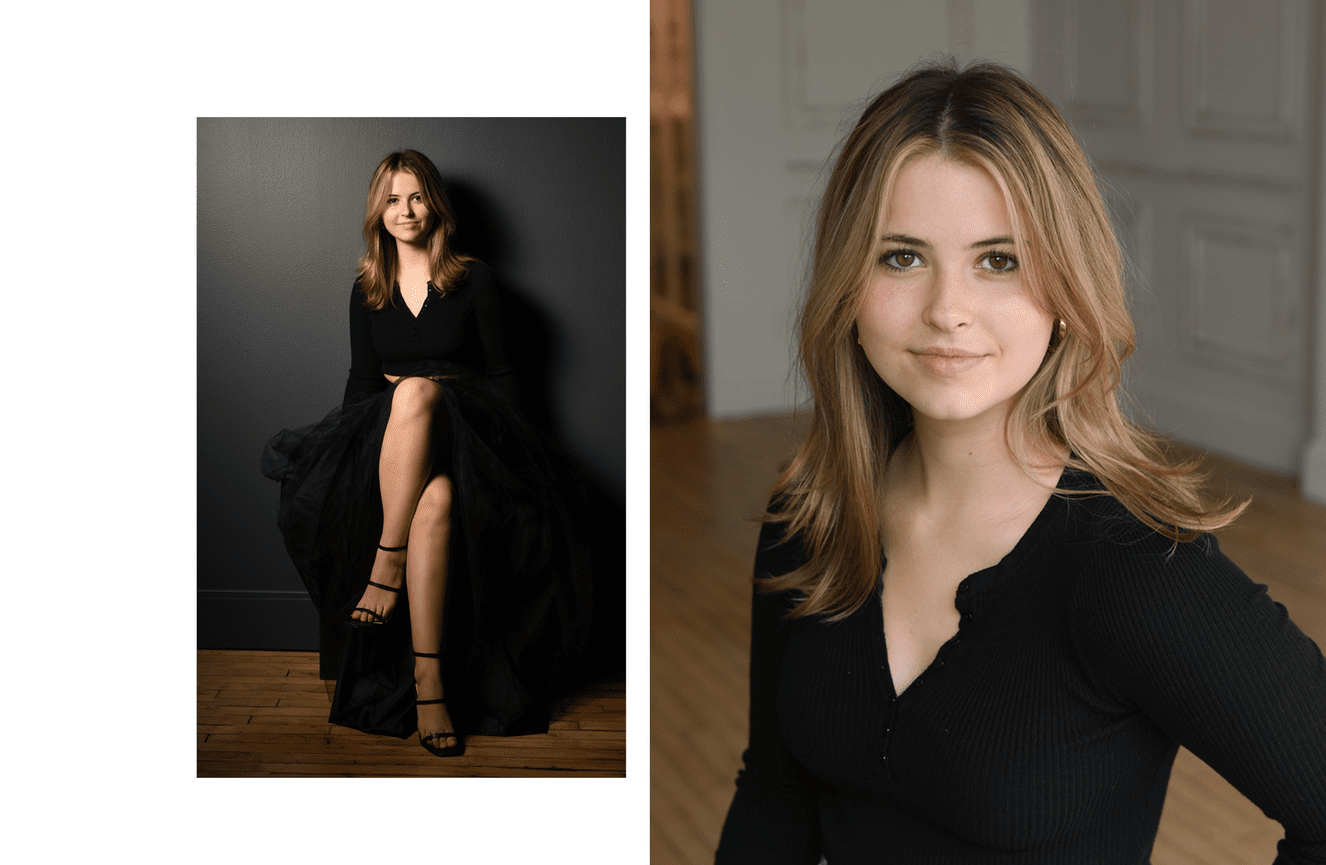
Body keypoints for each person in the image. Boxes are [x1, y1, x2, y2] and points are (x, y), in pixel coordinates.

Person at [715, 62, 1326, 863]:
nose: (947, 310)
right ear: (848, 285)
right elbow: (774, 793)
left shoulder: (1138, 570)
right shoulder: (809, 515)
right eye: (901, 256)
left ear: (1067, 289)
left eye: (998, 260)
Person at [262, 150, 592, 757]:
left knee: (416, 392)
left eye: (416, 197)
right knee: (432, 499)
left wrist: (508, 452)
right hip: (393, 435)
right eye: (392, 199)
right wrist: (343, 453)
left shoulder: (473, 279)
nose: (405, 210)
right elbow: (364, 383)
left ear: (434, 205)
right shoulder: (367, 288)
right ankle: (429, 681)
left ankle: (386, 571)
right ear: (378, 212)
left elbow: (504, 376)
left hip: (468, 427)